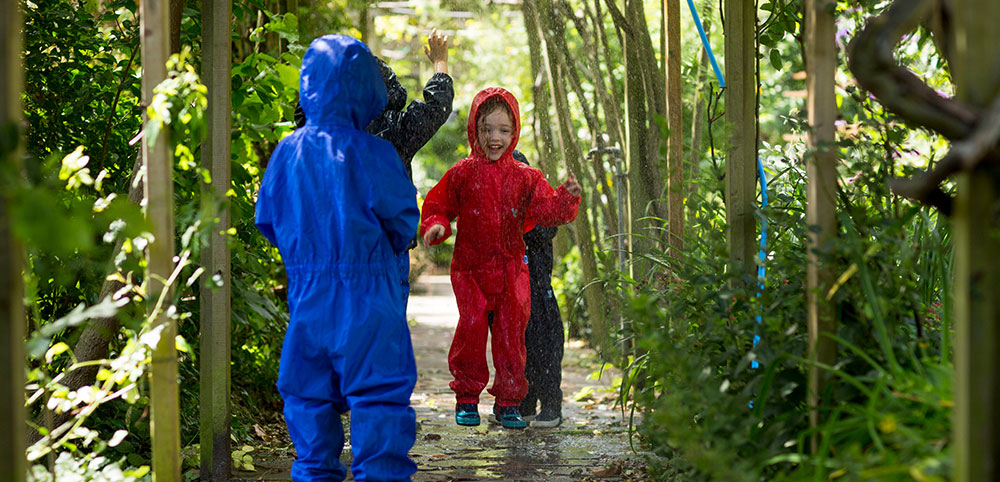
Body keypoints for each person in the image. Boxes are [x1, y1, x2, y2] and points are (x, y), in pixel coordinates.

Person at [255, 34, 419, 481]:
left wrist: (307, 248)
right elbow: (404, 224)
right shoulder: (376, 154)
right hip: (370, 306)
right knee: (379, 403)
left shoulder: (287, 153)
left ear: (309, 88)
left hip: (309, 304)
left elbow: (267, 219)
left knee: (308, 403)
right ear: (368, 89)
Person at [420, 88, 582, 429]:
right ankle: (466, 397)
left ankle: (510, 401)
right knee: (472, 330)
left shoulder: (526, 176)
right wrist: (435, 226)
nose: (495, 137)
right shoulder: (462, 173)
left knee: (512, 337)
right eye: (487, 129)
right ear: (474, 130)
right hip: (470, 269)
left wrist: (566, 198)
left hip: (512, 268)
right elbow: (438, 205)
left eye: (503, 130)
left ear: (514, 131)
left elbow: (547, 211)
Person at [294, 29, 453, 303]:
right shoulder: (397, 129)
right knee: (384, 334)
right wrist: (440, 63)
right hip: (387, 253)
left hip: (338, 250)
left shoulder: (323, 133)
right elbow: (437, 107)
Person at [512, 150, 565, 429]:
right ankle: (525, 400)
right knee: (516, 344)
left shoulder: (539, 203)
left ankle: (551, 402)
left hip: (537, 285)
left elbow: (547, 227)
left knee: (545, 341)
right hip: (509, 289)